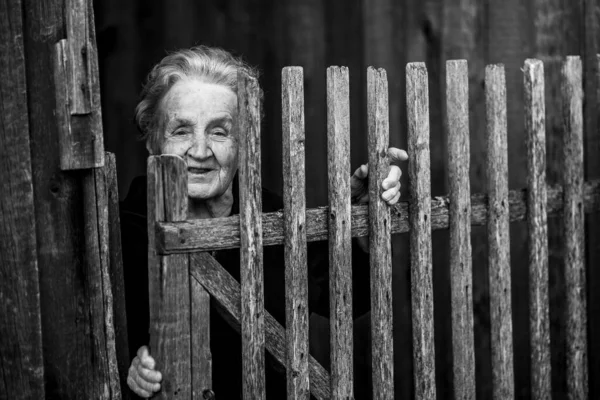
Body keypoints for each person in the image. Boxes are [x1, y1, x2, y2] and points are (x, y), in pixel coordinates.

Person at [122, 45, 408, 399]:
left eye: (219, 132)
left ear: (244, 143)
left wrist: (359, 224)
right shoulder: (120, 233)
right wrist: (128, 370)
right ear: (153, 140)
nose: (198, 151)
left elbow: (351, 300)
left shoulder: (274, 219)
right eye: (181, 131)